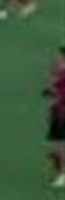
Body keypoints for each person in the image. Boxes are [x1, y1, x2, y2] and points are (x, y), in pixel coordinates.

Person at [44, 46, 65, 189]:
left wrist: (54, 93)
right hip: (57, 111)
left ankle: (62, 174)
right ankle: (60, 172)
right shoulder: (59, 70)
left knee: (60, 145)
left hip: (62, 112)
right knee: (56, 145)